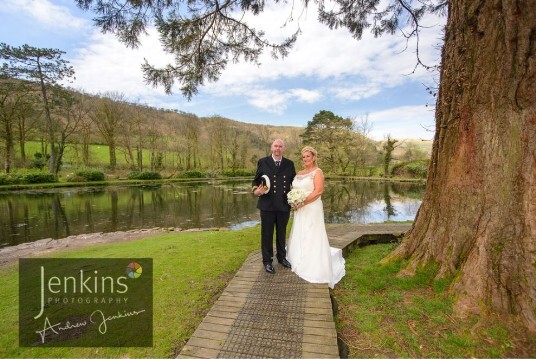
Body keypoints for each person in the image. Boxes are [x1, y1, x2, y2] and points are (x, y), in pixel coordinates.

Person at [286, 146, 345, 288]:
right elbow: (294, 189)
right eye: (304, 157)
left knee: (312, 233)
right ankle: (298, 258)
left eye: (308, 156)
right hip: (300, 209)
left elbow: (319, 191)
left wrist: (302, 202)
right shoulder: (299, 173)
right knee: (300, 231)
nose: (305, 159)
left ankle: (313, 265)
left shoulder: (318, 172)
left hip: (312, 208)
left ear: (314, 157)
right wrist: (294, 201)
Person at [252, 139, 296, 274]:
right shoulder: (263, 161)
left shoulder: (289, 164)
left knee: (282, 234)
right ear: (272, 148)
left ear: (284, 149)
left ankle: (282, 258)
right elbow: (256, 180)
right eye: (275, 146)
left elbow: (294, 183)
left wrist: (296, 197)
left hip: (283, 204)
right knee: (266, 234)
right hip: (267, 205)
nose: (278, 148)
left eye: (280, 146)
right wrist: (256, 191)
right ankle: (267, 261)